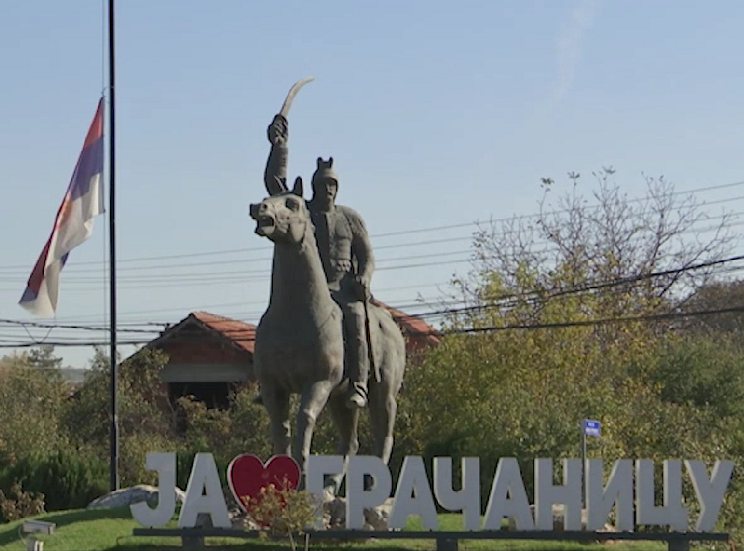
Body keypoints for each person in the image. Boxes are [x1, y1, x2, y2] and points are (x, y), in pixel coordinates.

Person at [257, 114, 374, 409]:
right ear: (315, 187)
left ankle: (358, 383)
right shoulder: (302, 211)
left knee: (355, 317)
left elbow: (367, 255)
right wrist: (279, 147)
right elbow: (276, 186)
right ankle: (269, 377)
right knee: (273, 318)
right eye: (323, 184)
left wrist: (364, 277)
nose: (328, 189)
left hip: (342, 289)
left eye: (332, 184)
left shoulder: (350, 218)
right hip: (309, 289)